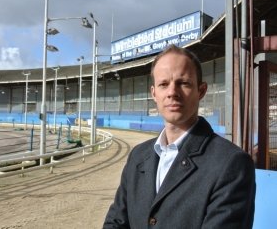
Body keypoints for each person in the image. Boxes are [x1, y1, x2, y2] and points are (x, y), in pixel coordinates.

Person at [103, 45, 256, 229]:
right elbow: (116, 222)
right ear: (154, 93)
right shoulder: (138, 155)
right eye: (163, 84)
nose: (172, 92)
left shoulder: (231, 163)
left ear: (201, 91)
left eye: (183, 83)